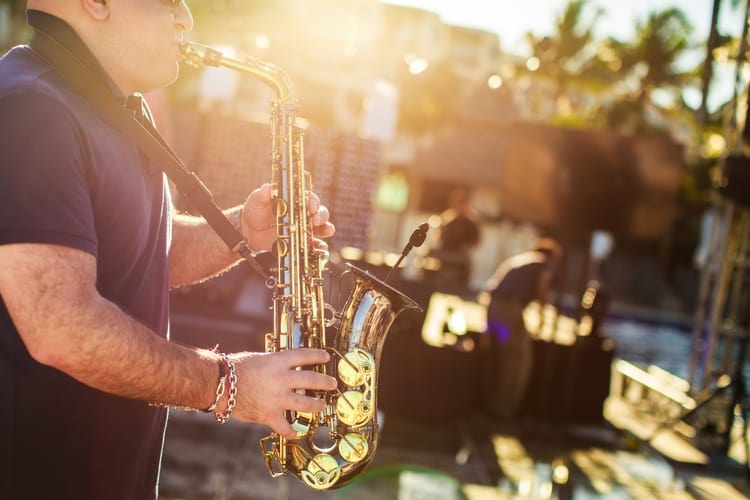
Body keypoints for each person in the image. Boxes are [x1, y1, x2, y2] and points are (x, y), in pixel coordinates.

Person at [0, 2, 337, 499]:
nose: (186, 18)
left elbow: (139, 251)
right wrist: (230, 383)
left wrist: (244, 228)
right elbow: (60, 327)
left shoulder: (106, 107)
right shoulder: (31, 108)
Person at [478, 237, 562, 418]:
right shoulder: (543, 263)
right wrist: (542, 317)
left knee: (498, 354)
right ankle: (504, 408)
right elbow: (543, 287)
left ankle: (487, 402)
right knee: (517, 359)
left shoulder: (523, 259)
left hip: (494, 308)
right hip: (508, 311)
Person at [429, 187, 481, 290]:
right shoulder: (447, 219)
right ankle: (429, 284)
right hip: (444, 252)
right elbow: (438, 237)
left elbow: (476, 241)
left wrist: (466, 247)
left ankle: (462, 288)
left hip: (459, 255)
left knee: (467, 262)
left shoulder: (470, 223)